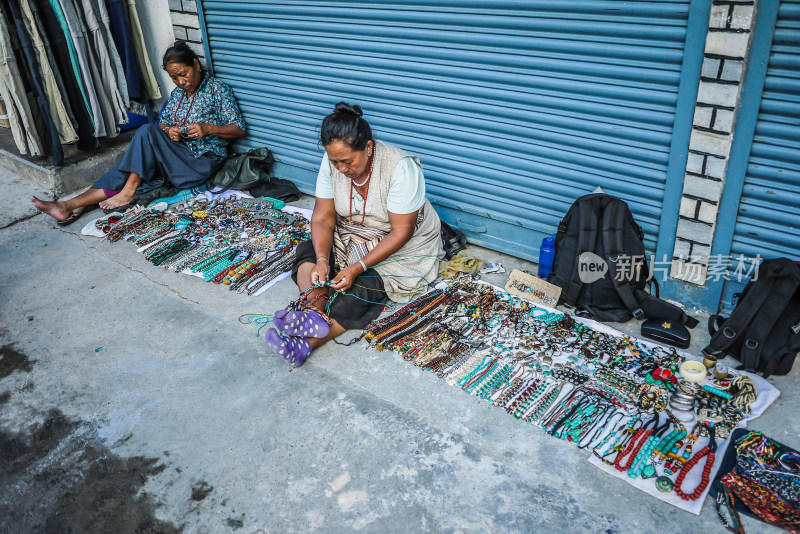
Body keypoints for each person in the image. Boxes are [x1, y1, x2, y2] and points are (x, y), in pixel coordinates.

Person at [265, 102, 443, 367]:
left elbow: (401, 231)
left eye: (347, 161)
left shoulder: (400, 168)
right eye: (335, 161)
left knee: (362, 289)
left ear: (368, 148)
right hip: (356, 231)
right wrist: (324, 260)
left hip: (404, 242)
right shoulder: (332, 161)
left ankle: (305, 345)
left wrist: (357, 267)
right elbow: (323, 217)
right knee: (310, 250)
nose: (341, 168)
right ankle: (313, 312)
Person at [31, 40, 246, 223]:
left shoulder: (218, 90)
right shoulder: (179, 94)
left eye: (183, 74)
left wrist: (209, 129)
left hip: (199, 163)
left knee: (145, 132)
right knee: (126, 168)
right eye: (174, 78)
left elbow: (238, 129)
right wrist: (169, 130)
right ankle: (68, 205)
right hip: (174, 158)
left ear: (196, 65)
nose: (181, 82)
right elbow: (162, 123)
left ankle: (128, 192)